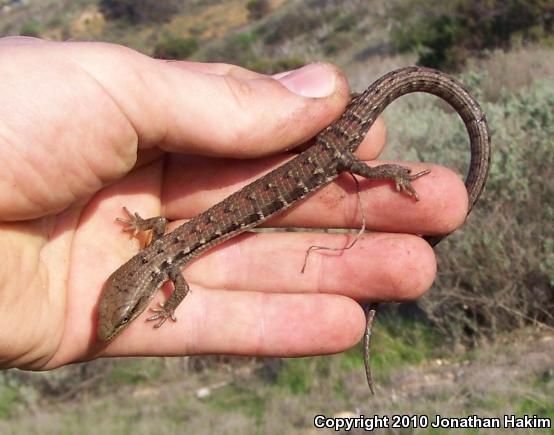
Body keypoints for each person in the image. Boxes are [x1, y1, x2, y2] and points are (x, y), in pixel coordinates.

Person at [0, 37, 468, 370]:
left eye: (126, 313)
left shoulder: (169, 271)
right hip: (326, 154)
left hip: (328, 160)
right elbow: (160, 225)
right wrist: (144, 221)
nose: (119, 322)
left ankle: (395, 174)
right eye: (122, 314)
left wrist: (167, 309)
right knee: (346, 164)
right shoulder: (160, 252)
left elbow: (178, 289)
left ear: (139, 289)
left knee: (353, 167)